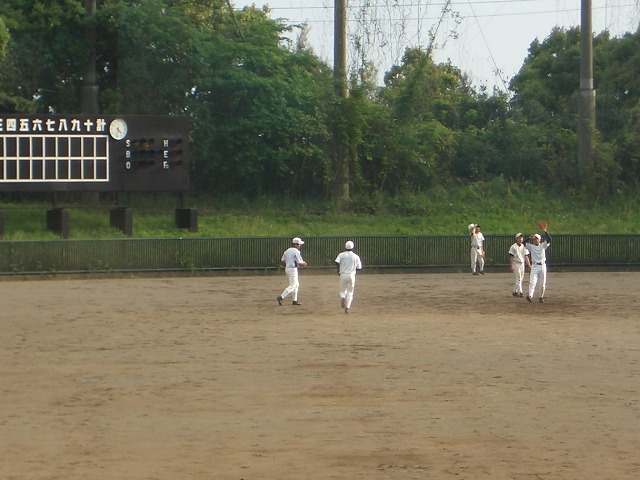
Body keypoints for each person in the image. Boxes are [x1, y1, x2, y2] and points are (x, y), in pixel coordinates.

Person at [276, 237, 307, 306]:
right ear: (296, 244)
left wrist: (289, 262)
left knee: (296, 285)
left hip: (287, 268)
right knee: (293, 285)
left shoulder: (287, 251)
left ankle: (294, 300)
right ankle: (281, 297)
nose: (299, 246)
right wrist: (304, 263)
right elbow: (300, 262)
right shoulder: (296, 251)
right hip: (293, 269)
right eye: (299, 244)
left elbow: (282, 260)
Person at [334, 241, 363, 314]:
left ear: (345, 247)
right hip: (351, 275)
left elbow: (336, 262)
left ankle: (343, 297)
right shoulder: (355, 256)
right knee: (350, 292)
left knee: (342, 290)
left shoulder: (341, 255)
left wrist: (339, 270)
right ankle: (347, 307)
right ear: (353, 248)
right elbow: (359, 267)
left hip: (343, 274)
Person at [526, 228, 551, 303]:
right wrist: (529, 238)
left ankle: (541, 297)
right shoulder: (531, 246)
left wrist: (545, 231)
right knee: (532, 281)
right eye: (534, 239)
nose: (535, 240)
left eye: (537, 239)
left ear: (540, 240)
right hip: (534, 266)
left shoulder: (543, 245)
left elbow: (549, 239)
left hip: (542, 266)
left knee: (542, 283)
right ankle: (530, 295)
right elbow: (523, 243)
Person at [508, 233, 530, 298]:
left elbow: (526, 256)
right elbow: (511, 256)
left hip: (522, 263)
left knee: (520, 278)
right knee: (519, 278)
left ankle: (515, 291)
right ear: (516, 238)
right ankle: (520, 292)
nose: (520, 239)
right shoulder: (513, 247)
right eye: (519, 238)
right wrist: (511, 265)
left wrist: (529, 265)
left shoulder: (524, 246)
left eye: (521, 238)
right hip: (516, 263)